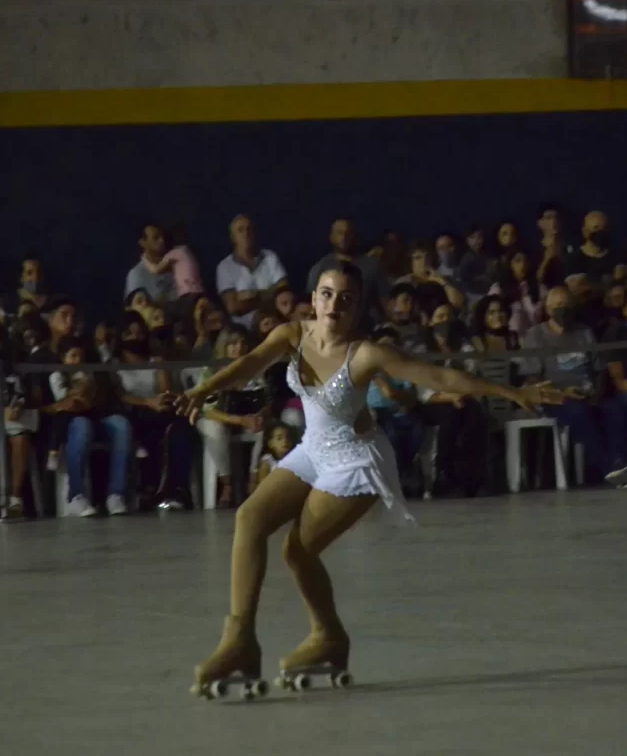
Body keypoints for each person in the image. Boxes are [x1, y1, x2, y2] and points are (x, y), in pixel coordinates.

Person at [176, 259, 565, 697]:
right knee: (249, 519)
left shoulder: (366, 353)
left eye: (346, 298)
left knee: (297, 550)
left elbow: (437, 375)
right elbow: (248, 364)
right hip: (313, 450)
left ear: (358, 306)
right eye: (326, 294)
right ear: (314, 298)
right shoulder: (292, 335)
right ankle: (240, 642)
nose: (334, 304)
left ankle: (329, 638)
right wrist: (201, 391)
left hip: (355, 460)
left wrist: (512, 392)